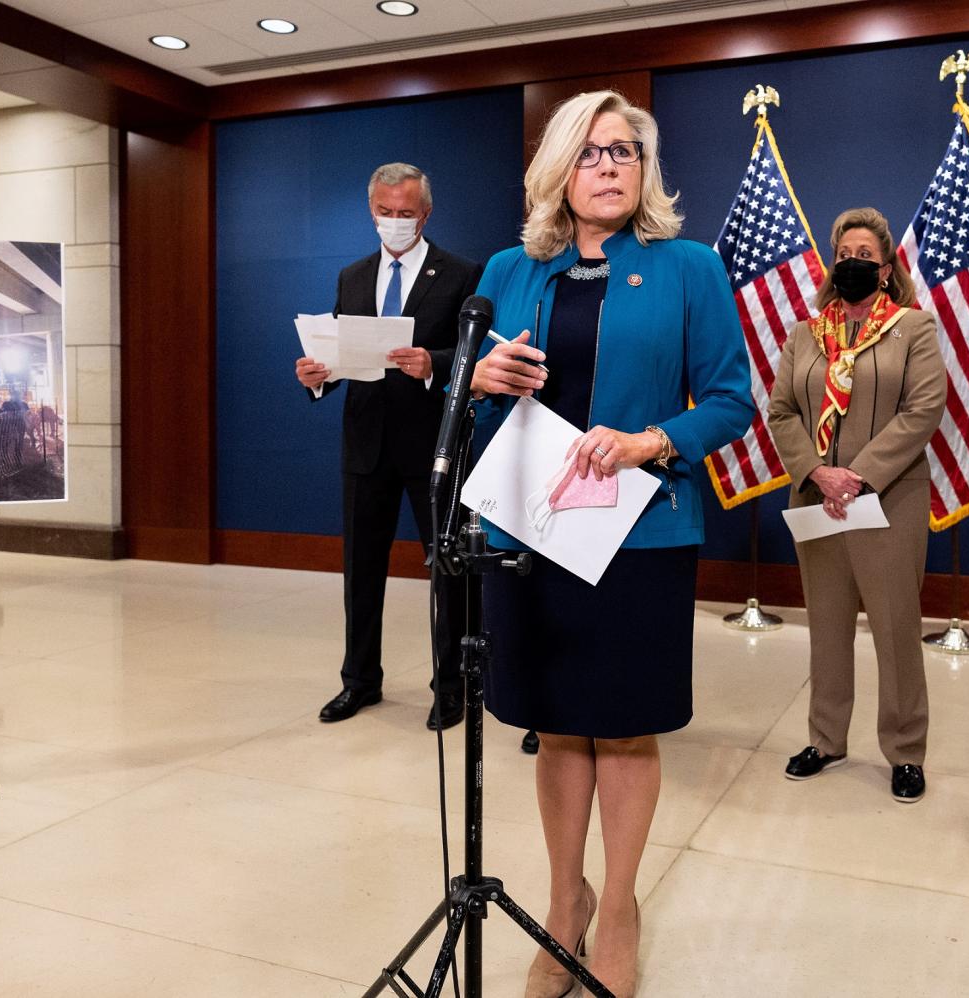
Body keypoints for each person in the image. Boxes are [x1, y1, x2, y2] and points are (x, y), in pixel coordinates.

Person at [469, 90, 752, 998]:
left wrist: (650, 442)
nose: (609, 166)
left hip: (642, 530)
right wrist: (478, 376)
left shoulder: (689, 267)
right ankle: (566, 902)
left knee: (625, 727)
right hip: (534, 527)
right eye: (590, 152)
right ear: (558, 168)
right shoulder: (510, 268)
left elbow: (729, 399)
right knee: (556, 725)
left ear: (646, 169)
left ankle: (621, 906)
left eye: (626, 151)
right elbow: (472, 393)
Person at [766, 207, 947, 804]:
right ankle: (826, 737)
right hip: (818, 499)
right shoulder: (805, 335)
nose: (853, 263)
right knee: (827, 624)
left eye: (865, 255)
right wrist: (818, 471)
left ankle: (904, 750)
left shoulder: (913, 328)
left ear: (887, 267)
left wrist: (859, 476)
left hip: (888, 501)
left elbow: (923, 410)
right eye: (845, 253)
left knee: (895, 628)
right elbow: (782, 411)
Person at [295, 163, 482, 731]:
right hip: (365, 442)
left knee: (447, 571)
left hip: (434, 444)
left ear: (426, 213)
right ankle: (360, 681)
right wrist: (317, 375)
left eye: (405, 213)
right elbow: (341, 351)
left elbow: (475, 356)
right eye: (385, 212)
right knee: (360, 568)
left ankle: (451, 686)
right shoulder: (352, 276)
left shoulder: (462, 273)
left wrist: (435, 363)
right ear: (370, 211)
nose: (394, 222)